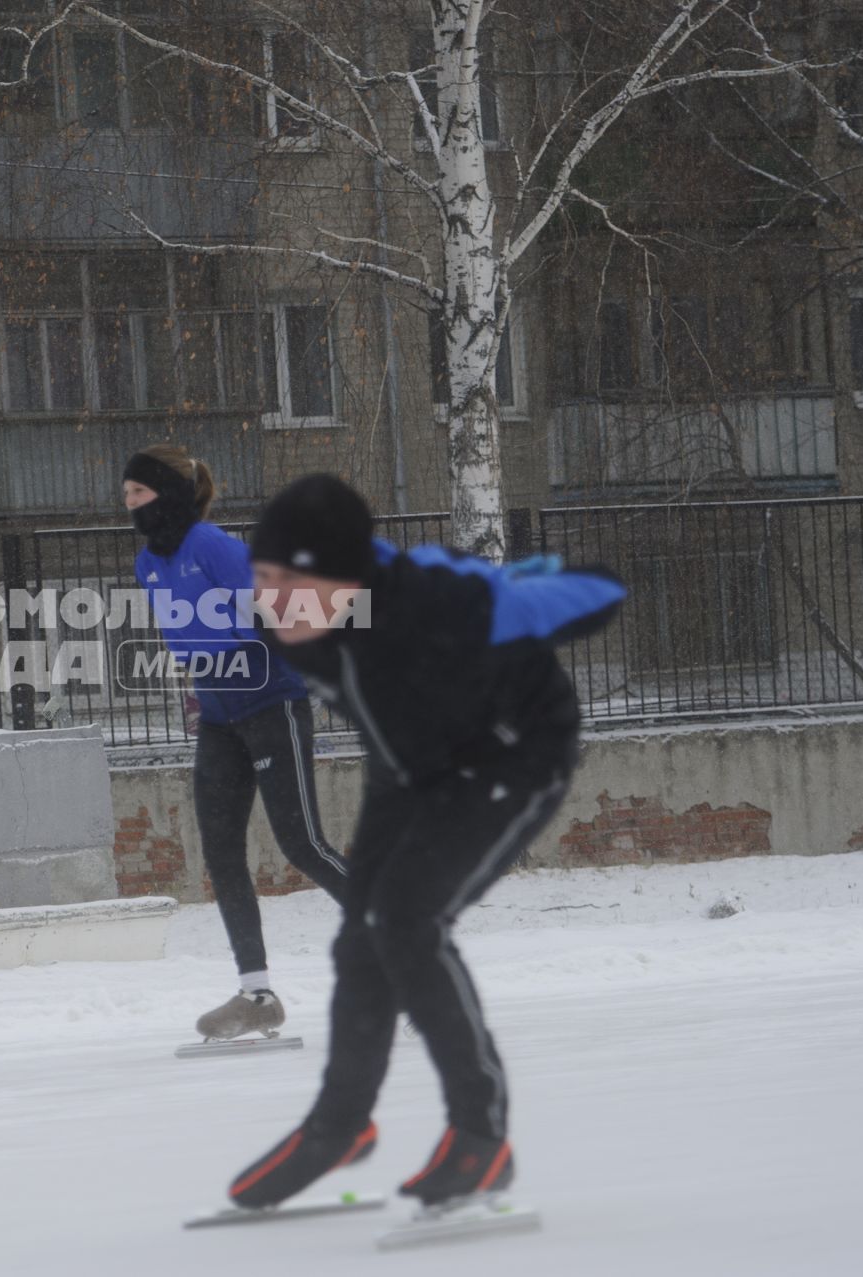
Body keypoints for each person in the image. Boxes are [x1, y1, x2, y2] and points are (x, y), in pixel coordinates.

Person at [226, 474, 625, 1211]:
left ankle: (481, 1134)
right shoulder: (292, 623)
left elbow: (600, 594)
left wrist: (543, 581)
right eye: (261, 578)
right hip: (407, 769)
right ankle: (339, 1126)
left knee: (406, 921)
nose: (267, 598)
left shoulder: (441, 600)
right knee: (359, 940)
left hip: (513, 754)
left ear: (338, 579)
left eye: (285, 581)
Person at [121, 446, 348, 1041]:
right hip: (220, 719)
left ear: (167, 493)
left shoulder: (213, 547)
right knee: (221, 853)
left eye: (138, 493)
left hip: (272, 702)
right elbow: (185, 636)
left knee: (301, 844)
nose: (129, 504)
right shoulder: (148, 563)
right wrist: (201, 693)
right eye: (125, 495)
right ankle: (257, 995)